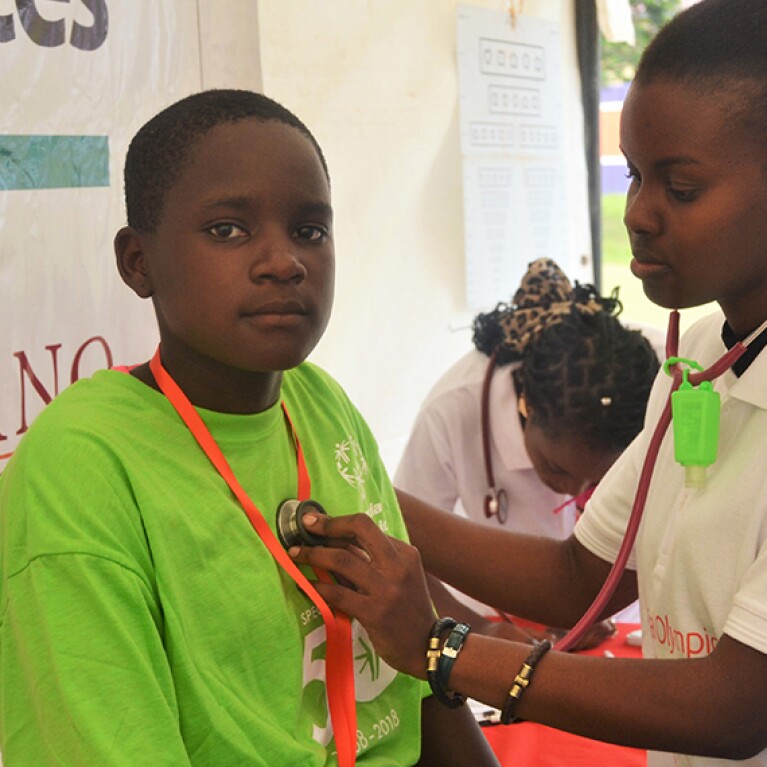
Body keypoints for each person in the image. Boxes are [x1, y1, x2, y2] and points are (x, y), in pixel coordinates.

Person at [290, 1, 767, 765]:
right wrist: (361, 494)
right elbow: (581, 576)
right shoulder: (700, 355)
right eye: (634, 174)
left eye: (679, 188)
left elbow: (737, 705)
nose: (637, 213)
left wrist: (445, 648)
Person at [0, 90, 498, 766]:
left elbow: (412, 687)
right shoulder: (82, 467)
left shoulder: (319, 402)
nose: (283, 262)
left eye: (309, 230)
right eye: (228, 230)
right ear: (137, 262)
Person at [394, 257, 659, 645]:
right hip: (495, 622)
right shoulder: (454, 410)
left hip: (623, 622)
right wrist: (477, 628)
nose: (574, 492)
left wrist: (591, 609)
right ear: (527, 406)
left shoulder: (652, 382)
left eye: (601, 478)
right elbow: (399, 542)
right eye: (556, 468)